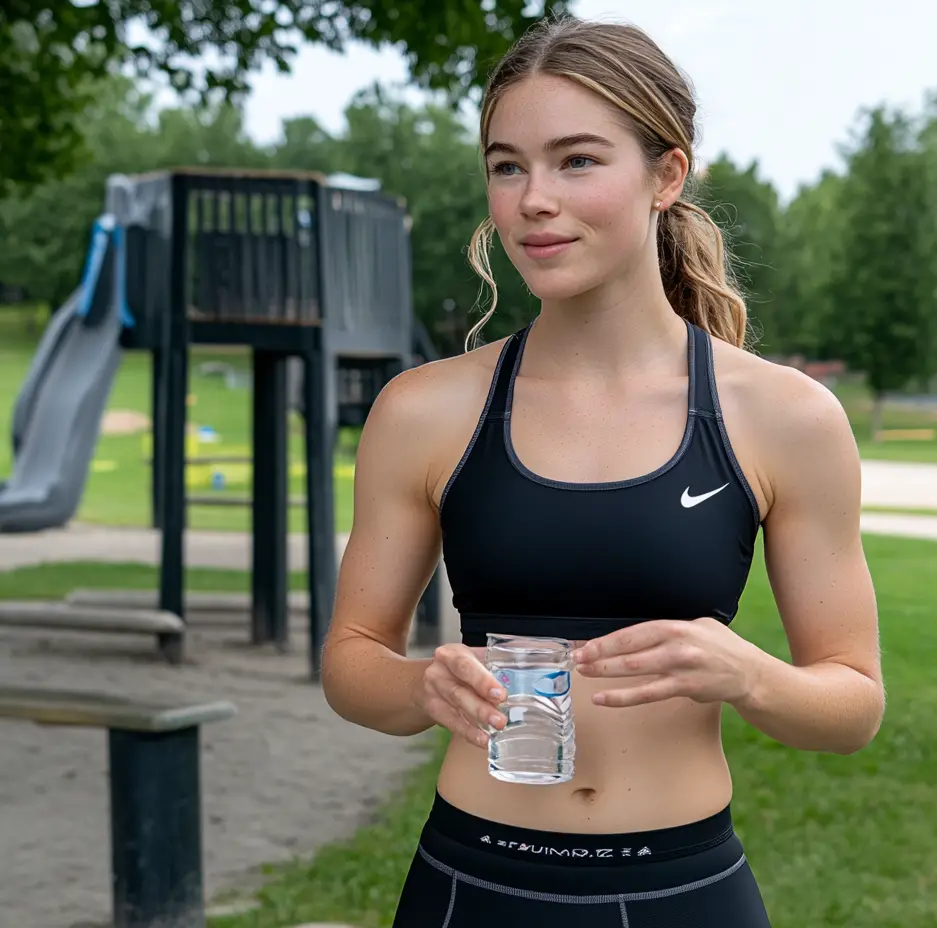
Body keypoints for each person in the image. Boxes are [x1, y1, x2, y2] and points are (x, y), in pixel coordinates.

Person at [320, 15, 883, 927]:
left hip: (683, 891)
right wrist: (423, 684)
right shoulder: (423, 410)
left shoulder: (783, 417)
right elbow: (351, 665)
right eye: (508, 166)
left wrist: (745, 673)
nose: (533, 199)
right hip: (472, 887)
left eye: (577, 160)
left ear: (667, 174)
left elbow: (852, 708)